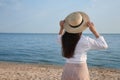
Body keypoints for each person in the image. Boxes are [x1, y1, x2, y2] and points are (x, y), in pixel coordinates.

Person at [58, 11, 108, 80]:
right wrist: (94, 31)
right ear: (82, 26)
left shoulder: (64, 39)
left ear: (69, 26)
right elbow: (104, 45)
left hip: (67, 69)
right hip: (80, 69)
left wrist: (61, 28)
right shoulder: (85, 40)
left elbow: (58, 37)